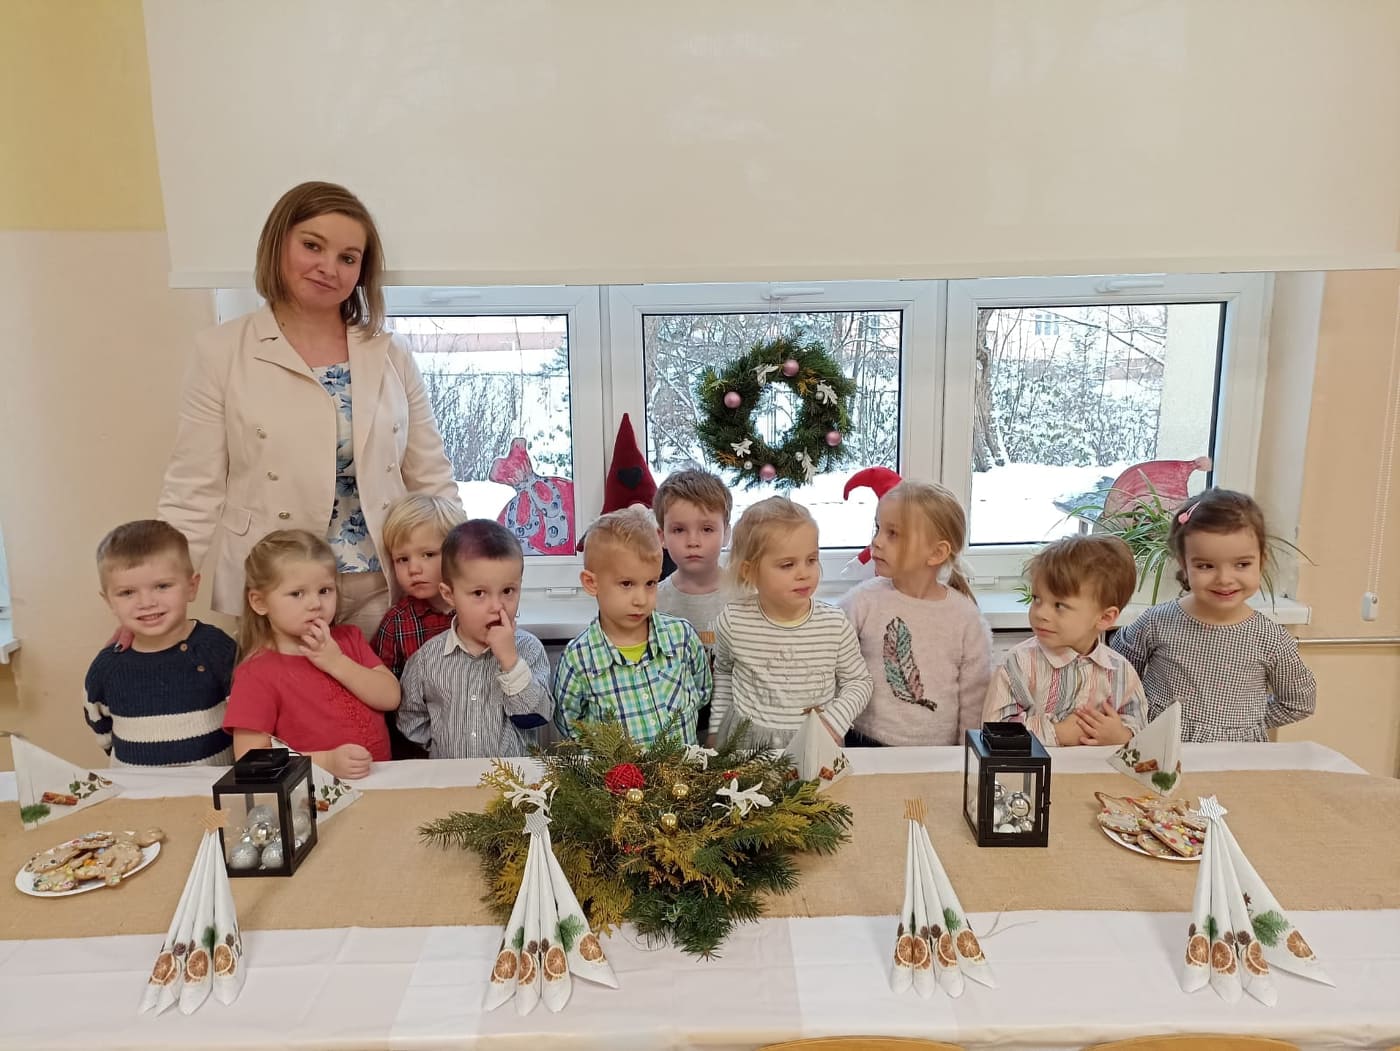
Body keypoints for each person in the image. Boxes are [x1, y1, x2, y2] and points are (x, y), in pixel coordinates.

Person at [158, 181, 460, 641]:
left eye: (348, 258)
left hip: (382, 585)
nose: (328, 268)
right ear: (278, 243)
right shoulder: (221, 351)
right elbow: (192, 490)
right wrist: (157, 591)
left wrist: (469, 576)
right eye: (312, 246)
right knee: (276, 691)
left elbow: (430, 476)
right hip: (278, 586)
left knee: (385, 690)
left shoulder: (390, 353)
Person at [1110, 488, 1316, 742]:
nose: (1224, 579)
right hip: (1160, 749)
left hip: (1234, 758)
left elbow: (1299, 702)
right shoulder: (1155, 622)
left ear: (1261, 562)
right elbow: (1116, 674)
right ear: (1184, 565)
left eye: (1242, 564)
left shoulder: (1271, 639)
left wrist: (1247, 725)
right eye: (1206, 565)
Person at [223, 530, 400, 779]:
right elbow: (251, 759)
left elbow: (391, 697)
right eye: (297, 594)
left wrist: (337, 663)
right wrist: (325, 762)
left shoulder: (349, 639)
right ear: (259, 602)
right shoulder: (256, 673)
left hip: (383, 781)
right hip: (312, 791)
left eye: (325, 590)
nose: (315, 604)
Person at [710, 497, 872, 750]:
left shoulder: (834, 624)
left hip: (815, 743)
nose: (804, 573)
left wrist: (833, 722)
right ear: (749, 571)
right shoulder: (733, 621)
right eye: (788, 565)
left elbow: (859, 682)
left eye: (811, 560)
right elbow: (723, 674)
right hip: (747, 744)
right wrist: (715, 728)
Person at [839, 481, 991, 746]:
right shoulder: (861, 601)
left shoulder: (965, 618)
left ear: (936, 552)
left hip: (936, 754)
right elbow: (832, 668)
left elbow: (974, 699)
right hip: (863, 744)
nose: (877, 541)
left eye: (893, 533)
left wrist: (965, 755)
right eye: (878, 528)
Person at [555, 506, 710, 746]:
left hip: (684, 769)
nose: (641, 599)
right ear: (591, 583)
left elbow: (702, 692)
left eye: (650, 583)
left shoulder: (682, 637)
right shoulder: (578, 659)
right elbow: (570, 727)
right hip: (613, 772)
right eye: (627, 584)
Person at [84, 520, 235, 766]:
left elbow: (247, 720)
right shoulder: (106, 667)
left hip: (212, 786)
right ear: (109, 601)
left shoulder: (217, 650)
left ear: (191, 587)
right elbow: (100, 727)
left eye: (162, 586)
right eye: (127, 592)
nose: (146, 602)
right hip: (135, 787)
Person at [397, 520, 552, 758]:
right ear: (449, 594)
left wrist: (511, 663)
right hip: (450, 776)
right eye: (479, 593)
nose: (497, 606)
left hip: (512, 778)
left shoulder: (528, 649)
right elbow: (411, 721)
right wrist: (441, 747)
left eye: (508, 591)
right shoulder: (427, 659)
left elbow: (537, 717)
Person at [984, 534, 1145, 746]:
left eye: (1059, 605)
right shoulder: (1017, 664)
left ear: (1105, 618)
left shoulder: (1121, 672)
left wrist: (1121, 736)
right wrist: (1056, 733)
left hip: (1096, 768)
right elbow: (993, 731)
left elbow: (1142, 729)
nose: (1041, 613)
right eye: (1037, 599)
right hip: (1032, 768)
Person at [653, 468, 732, 738]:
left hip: (735, 732)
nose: (693, 541)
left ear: (726, 533)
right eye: (679, 530)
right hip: (673, 735)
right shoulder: (652, 602)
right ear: (662, 536)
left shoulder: (748, 597)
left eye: (707, 529)